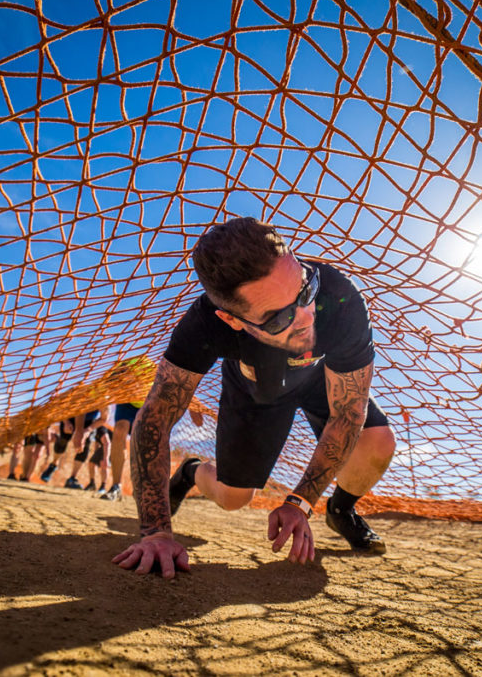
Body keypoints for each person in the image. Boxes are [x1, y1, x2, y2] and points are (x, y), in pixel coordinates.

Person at [113, 216, 396, 579]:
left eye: (306, 290)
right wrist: (156, 532)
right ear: (232, 321)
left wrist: (301, 502)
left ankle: (341, 511)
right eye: (279, 319)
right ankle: (191, 473)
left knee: (378, 442)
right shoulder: (204, 325)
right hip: (256, 390)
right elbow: (154, 418)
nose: (308, 316)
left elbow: (348, 412)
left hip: (319, 381)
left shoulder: (339, 300)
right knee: (234, 499)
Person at [101, 402, 140, 501]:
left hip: (149, 400)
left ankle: (142, 486)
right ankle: (116, 487)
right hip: (126, 399)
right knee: (119, 429)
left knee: (143, 440)